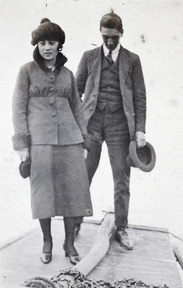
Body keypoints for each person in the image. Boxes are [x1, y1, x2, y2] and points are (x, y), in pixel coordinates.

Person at [12, 18, 92, 265]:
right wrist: (23, 145)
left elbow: (77, 108)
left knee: (73, 193)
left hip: (70, 141)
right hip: (40, 141)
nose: (47, 47)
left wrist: (84, 141)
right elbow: (18, 108)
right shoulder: (26, 71)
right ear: (37, 45)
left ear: (60, 46)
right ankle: (47, 241)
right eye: (43, 42)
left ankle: (69, 244)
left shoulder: (68, 74)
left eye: (52, 43)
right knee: (43, 193)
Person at [75, 11, 147, 250]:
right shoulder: (88, 57)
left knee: (121, 179)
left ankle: (122, 228)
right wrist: (75, 125)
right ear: (101, 33)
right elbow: (75, 93)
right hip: (91, 125)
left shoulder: (132, 60)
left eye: (114, 37)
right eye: (106, 37)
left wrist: (140, 131)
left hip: (119, 126)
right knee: (84, 174)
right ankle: (75, 222)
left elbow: (139, 97)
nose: (109, 42)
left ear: (122, 34)